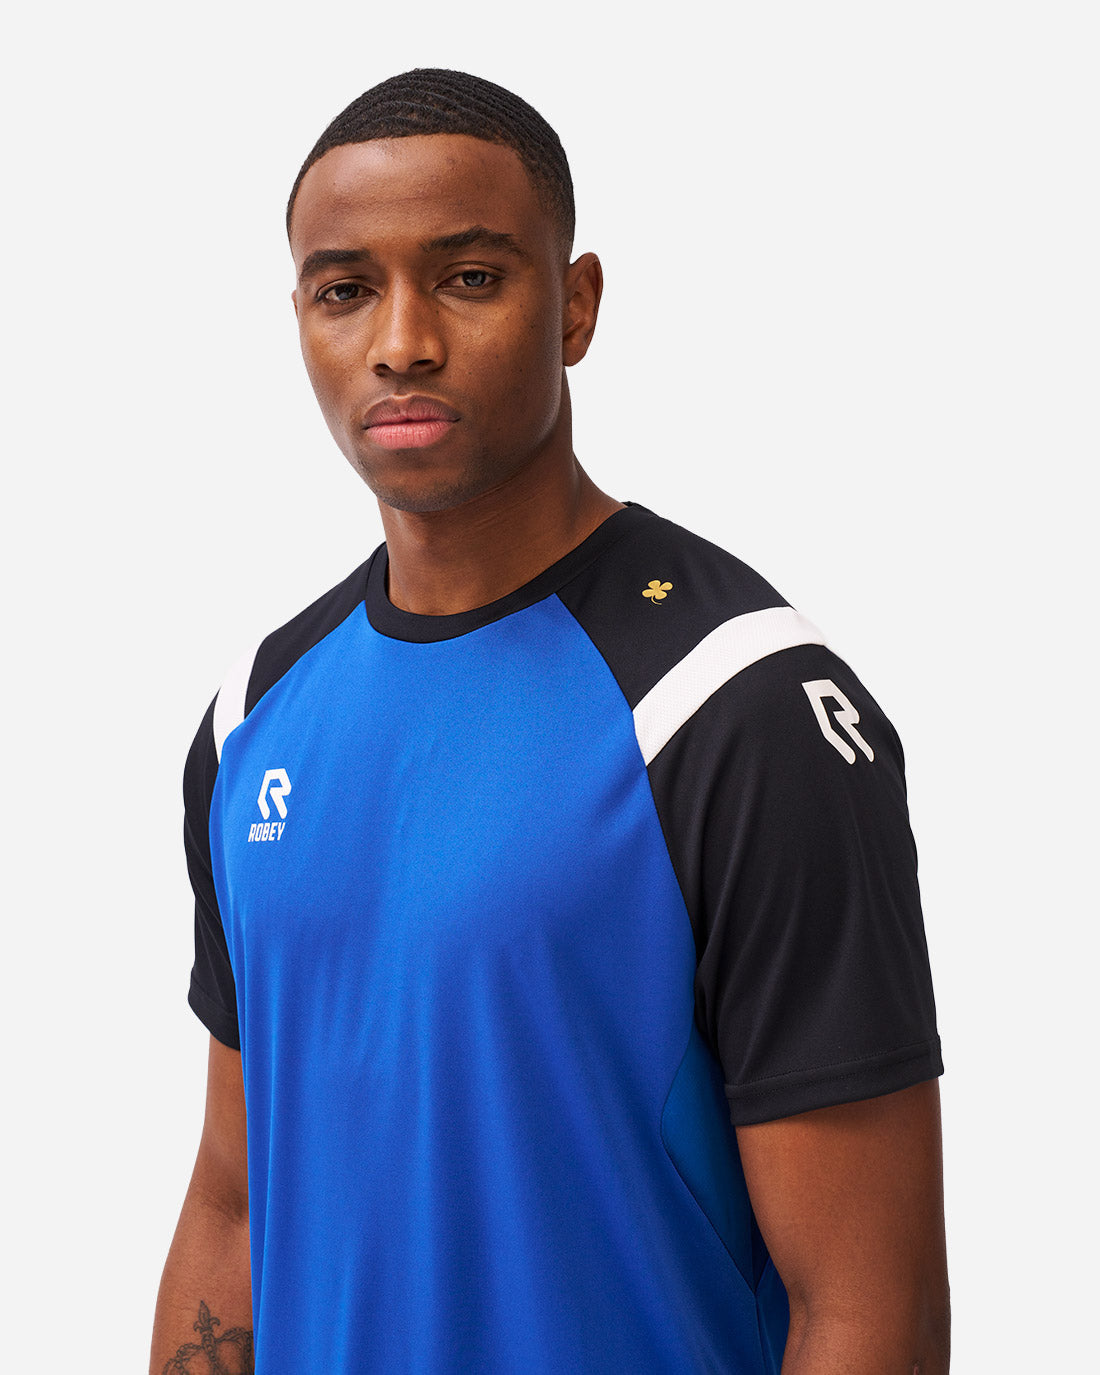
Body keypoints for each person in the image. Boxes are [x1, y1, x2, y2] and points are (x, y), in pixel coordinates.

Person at [150, 68, 949, 1375]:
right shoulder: (255, 719)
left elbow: (871, 1311)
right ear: (300, 318)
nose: (402, 342)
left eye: (468, 278)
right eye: (346, 290)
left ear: (575, 306)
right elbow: (235, 1206)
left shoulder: (732, 707)